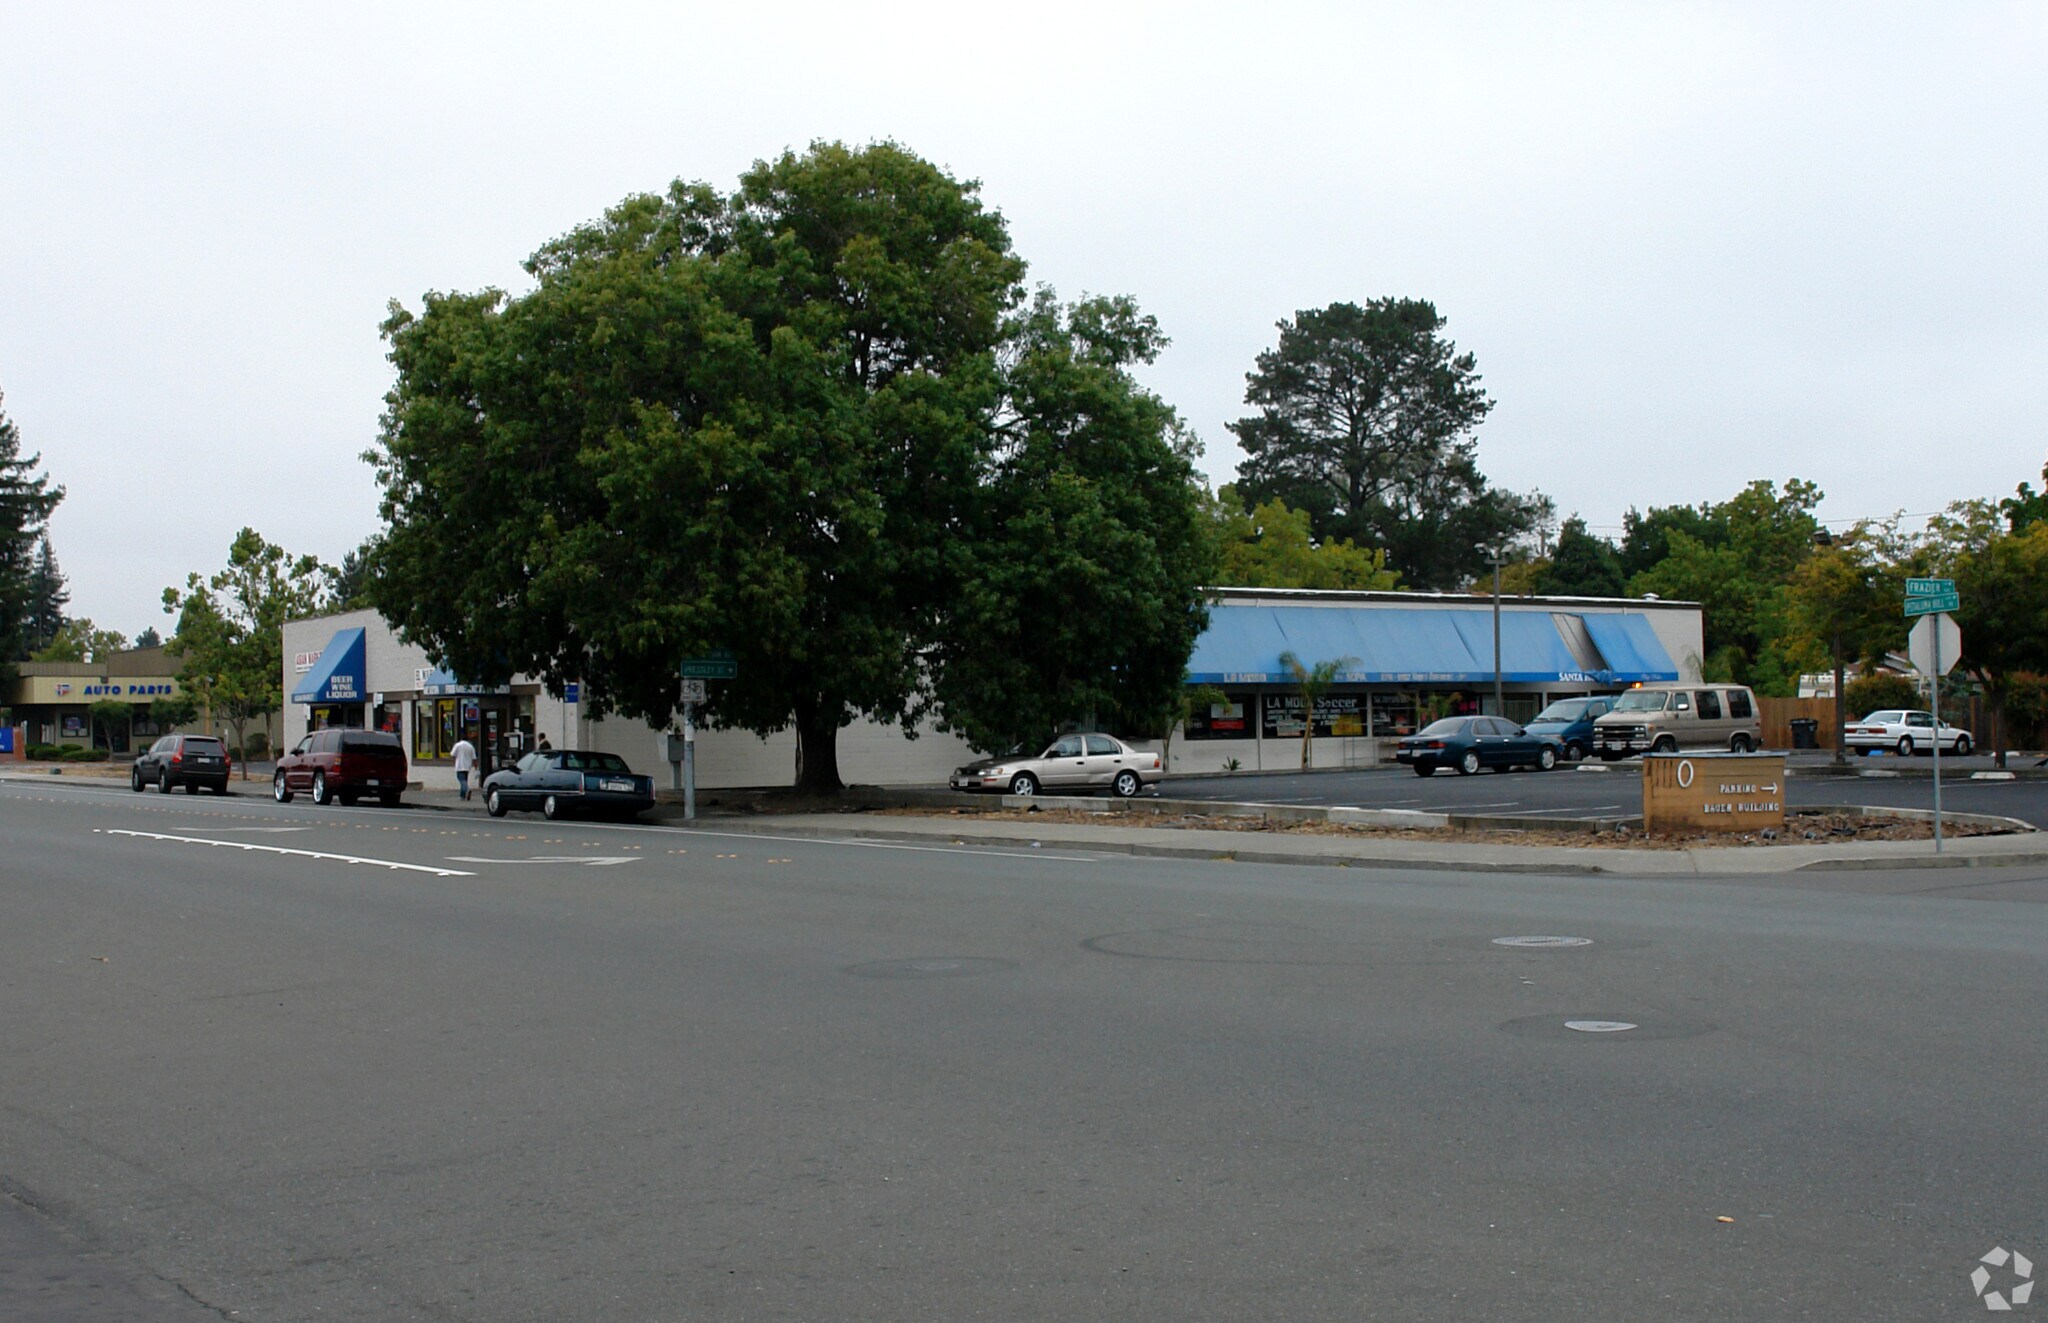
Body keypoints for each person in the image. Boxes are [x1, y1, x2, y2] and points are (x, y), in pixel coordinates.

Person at [451, 734, 478, 800]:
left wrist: (454, 762)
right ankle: (462, 796)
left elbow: (452, 754)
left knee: (461, 780)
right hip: (467, 766)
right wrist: (476, 767)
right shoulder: (471, 746)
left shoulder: (458, 745)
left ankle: (467, 789)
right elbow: (474, 758)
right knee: (464, 780)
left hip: (459, 766)